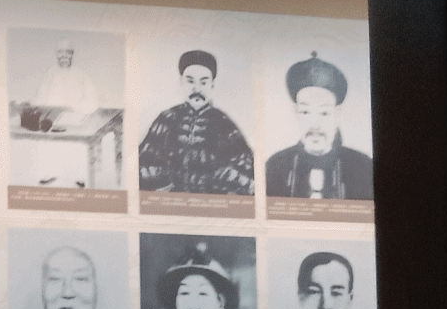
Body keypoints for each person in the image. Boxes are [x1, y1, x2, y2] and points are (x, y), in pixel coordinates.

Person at [137, 50, 254, 195]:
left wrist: (218, 179)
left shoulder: (223, 123)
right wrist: (167, 178)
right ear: (181, 82)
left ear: (212, 84)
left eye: (203, 82)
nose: (197, 89)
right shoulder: (166, 119)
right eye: (190, 81)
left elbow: (246, 168)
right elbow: (142, 163)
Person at [264, 53, 375, 201]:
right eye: (305, 112)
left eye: (324, 113)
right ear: (296, 112)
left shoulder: (362, 166)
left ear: (337, 113)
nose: (315, 125)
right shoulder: (276, 165)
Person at [30, 36, 101, 129]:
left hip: (75, 122)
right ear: (56, 54)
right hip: (52, 123)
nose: (64, 56)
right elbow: (39, 99)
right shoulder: (49, 75)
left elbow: (93, 103)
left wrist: (74, 108)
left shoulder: (81, 76)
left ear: (72, 54)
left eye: (67, 52)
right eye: (60, 52)